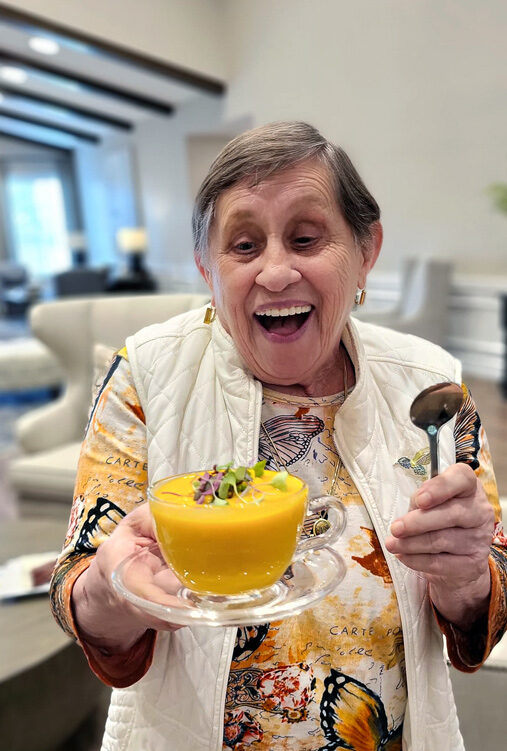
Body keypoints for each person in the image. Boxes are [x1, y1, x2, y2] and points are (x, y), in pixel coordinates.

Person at [50, 122, 507, 751]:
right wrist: (115, 591)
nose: (274, 272)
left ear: (365, 250)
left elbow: (487, 596)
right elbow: (79, 587)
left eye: (306, 238)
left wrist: (465, 578)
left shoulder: (431, 388)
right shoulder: (145, 377)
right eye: (242, 245)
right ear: (206, 267)